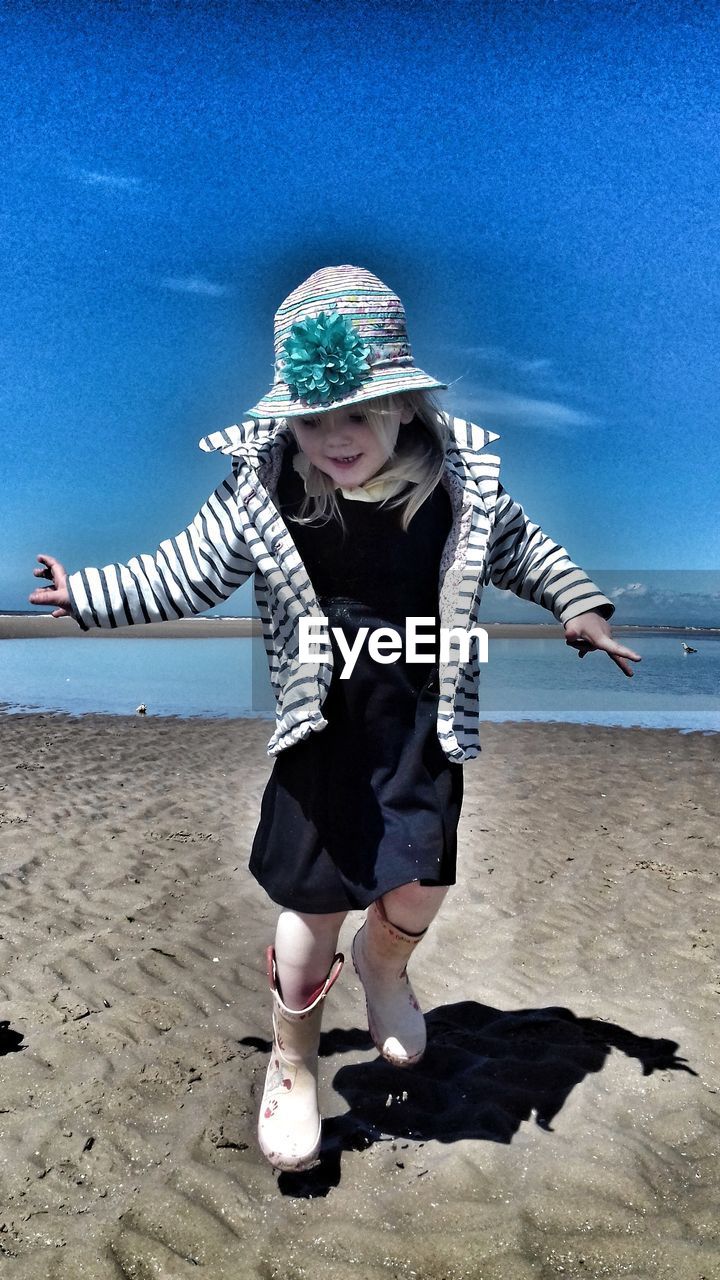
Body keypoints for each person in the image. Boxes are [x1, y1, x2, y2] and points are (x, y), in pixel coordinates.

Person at [29, 264, 641, 1173]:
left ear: (402, 403)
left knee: (419, 888)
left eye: (356, 413)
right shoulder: (263, 487)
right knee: (310, 913)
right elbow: (187, 570)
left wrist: (577, 604)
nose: (335, 438)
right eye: (314, 420)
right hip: (322, 733)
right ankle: (293, 1060)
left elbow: (525, 550)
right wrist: (92, 596)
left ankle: (385, 968)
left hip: (422, 729)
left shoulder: (460, 486)